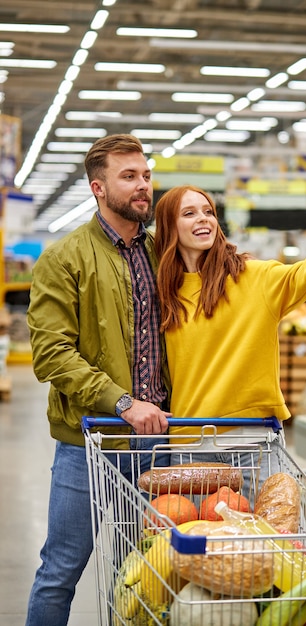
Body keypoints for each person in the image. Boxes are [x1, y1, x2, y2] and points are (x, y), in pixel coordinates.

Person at [25, 134, 171, 626]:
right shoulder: (64, 258)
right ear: (98, 187)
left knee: (143, 574)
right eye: (128, 176)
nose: (142, 186)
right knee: (61, 570)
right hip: (90, 444)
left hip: (157, 445)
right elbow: (51, 354)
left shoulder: (162, 256)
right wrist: (123, 402)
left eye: (146, 175)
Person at [154, 185, 306, 490]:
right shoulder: (164, 293)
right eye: (189, 213)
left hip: (252, 442)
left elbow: (305, 276)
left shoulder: (253, 277)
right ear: (168, 227)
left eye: (208, 212)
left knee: (267, 538)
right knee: (199, 535)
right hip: (191, 444)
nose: (203, 219)